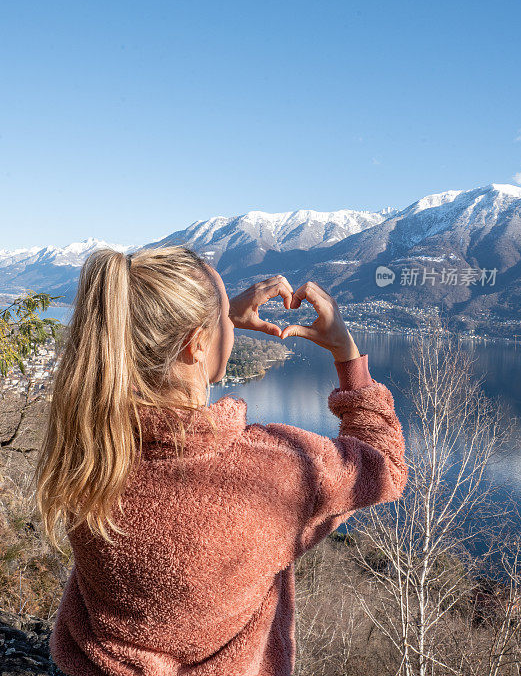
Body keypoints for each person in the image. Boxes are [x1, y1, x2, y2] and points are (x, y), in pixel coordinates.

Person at [36, 245, 408, 676]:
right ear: (196, 343)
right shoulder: (269, 475)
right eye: (223, 317)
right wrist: (346, 352)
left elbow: (166, 351)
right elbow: (384, 463)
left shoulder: (87, 444)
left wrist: (213, 318)